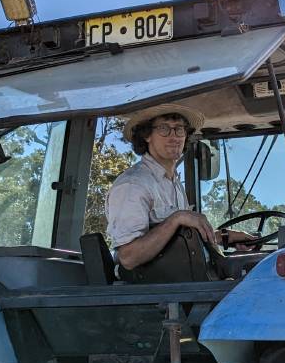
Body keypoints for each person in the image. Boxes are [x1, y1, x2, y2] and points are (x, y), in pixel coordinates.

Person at [106, 104, 254, 272]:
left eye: (179, 129)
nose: (174, 136)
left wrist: (226, 238)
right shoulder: (133, 185)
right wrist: (177, 218)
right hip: (156, 291)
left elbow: (178, 242)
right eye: (164, 129)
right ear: (147, 135)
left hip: (183, 280)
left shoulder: (173, 182)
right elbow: (128, 258)